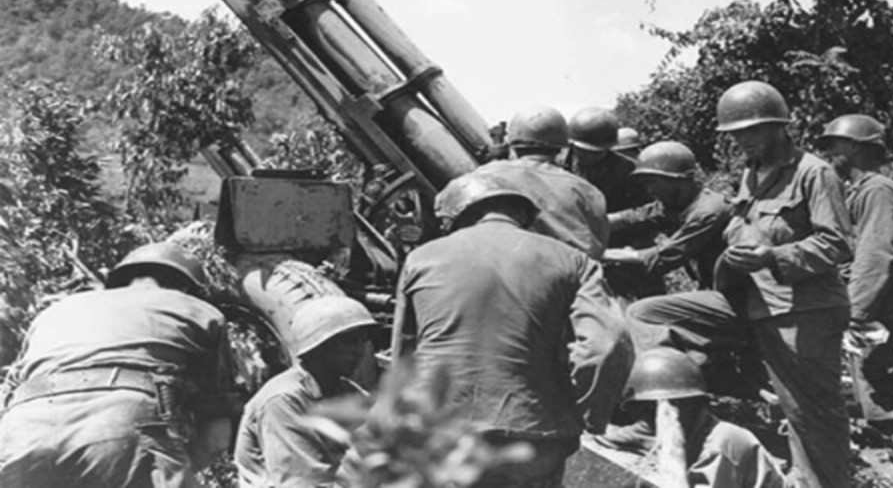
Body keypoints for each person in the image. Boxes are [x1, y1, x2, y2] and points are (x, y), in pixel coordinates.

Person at [627, 80, 854, 488]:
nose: (742, 141)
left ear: (779, 126)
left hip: (803, 309)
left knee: (809, 412)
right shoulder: (752, 172)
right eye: (735, 134)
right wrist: (738, 240)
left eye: (751, 131)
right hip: (749, 299)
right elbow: (740, 221)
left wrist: (774, 255)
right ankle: (669, 413)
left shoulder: (813, 173)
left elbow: (837, 243)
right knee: (648, 314)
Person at [391, 173, 633, 488]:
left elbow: (403, 355)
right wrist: (591, 416)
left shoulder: (420, 259)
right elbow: (605, 344)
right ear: (523, 214)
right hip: (533, 429)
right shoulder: (573, 261)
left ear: (457, 217)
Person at [0, 242, 238, 487]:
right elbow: (216, 438)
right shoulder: (200, 311)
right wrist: (172, 471)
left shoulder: (53, 312)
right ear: (185, 287)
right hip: (119, 425)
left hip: (23, 432)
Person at [815, 114, 893, 477]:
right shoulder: (858, 191)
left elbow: (875, 255)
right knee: (880, 403)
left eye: (833, 145)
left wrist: (854, 315)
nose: (827, 153)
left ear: (856, 147)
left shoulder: (877, 190)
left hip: (886, 315)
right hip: (877, 314)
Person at [235, 295, 376, 488]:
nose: (359, 350)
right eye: (349, 340)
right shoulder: (283, 400)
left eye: (363, 339)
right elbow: (304, 483)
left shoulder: (343, 390)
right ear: (320, 346)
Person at [610, 347, 785, 488]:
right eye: (645, 411)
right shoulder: (660, 429)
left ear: (696, 404)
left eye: (672, 406)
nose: (663, 417)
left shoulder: (723, 442)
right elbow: (611, 444)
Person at [470, 104, 609, 258]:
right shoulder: (587, 191)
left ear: (511, 144)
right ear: (561, 148)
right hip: (564, 269)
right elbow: (598, 245)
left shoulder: (476, 180)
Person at [605, 141, 732, 299]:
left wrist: (604, 254)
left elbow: (666, 257)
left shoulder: (708, 211)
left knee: (643, 310)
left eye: (652, 182)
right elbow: (631, 217)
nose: (649, 190)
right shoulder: (677, 203)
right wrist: (584, 223)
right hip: (713, 288)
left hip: (737, 297)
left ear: (677, 180)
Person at [568, 106, 649, 214]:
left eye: (597, 153)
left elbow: (644, 208)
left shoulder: (626, 169)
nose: (590, 157)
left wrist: (614, 219)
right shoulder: (554, 165)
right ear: (571, 145)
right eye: (583, 151)